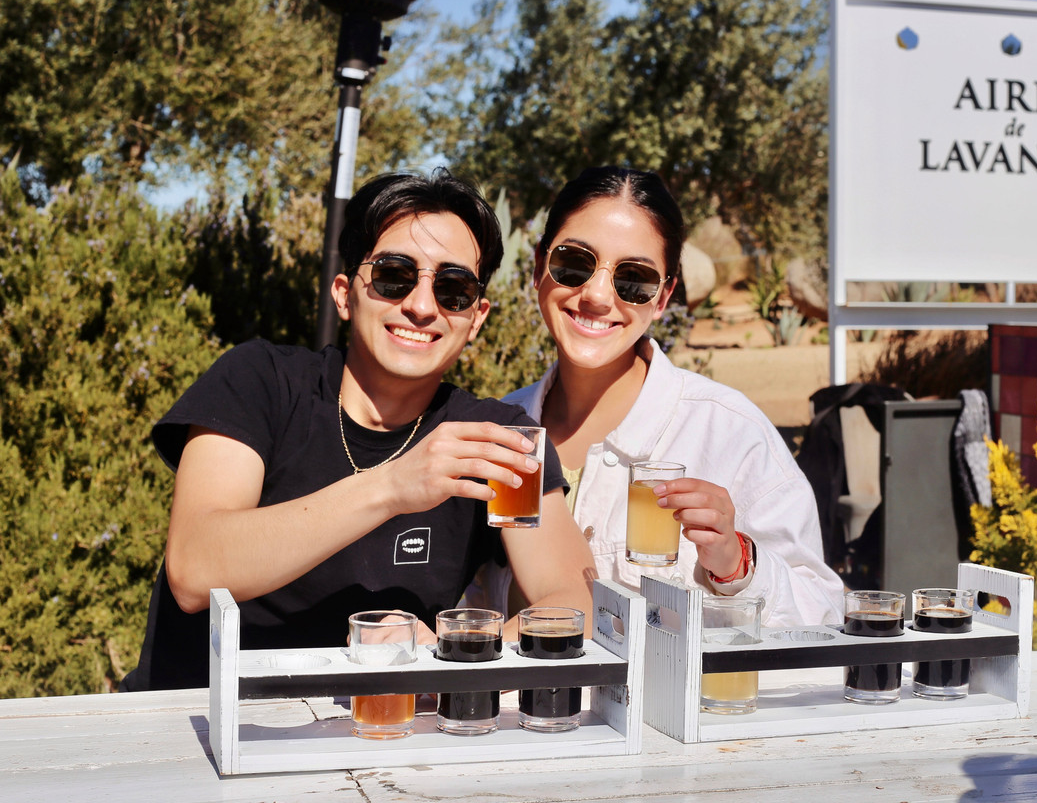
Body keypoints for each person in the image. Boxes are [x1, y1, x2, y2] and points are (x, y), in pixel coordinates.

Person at [121, 170, 596, 691]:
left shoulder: (497, 440)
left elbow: (570, 604)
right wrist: (393, 486)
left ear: (476, 317)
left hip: (376, 743)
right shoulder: (259, 382)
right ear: (346, 294)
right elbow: (194, 569)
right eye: (394, 275)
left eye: (453, 288)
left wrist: (449, 653)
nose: (421, 305)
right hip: (198, 730)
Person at [470, 166, 842, 626]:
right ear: (537, 268)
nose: (598, 295)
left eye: (634, 279)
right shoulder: (496, 432)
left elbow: (823, 613)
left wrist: (736, 563)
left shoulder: (728, 432)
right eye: (573, 263)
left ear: (663, 298)